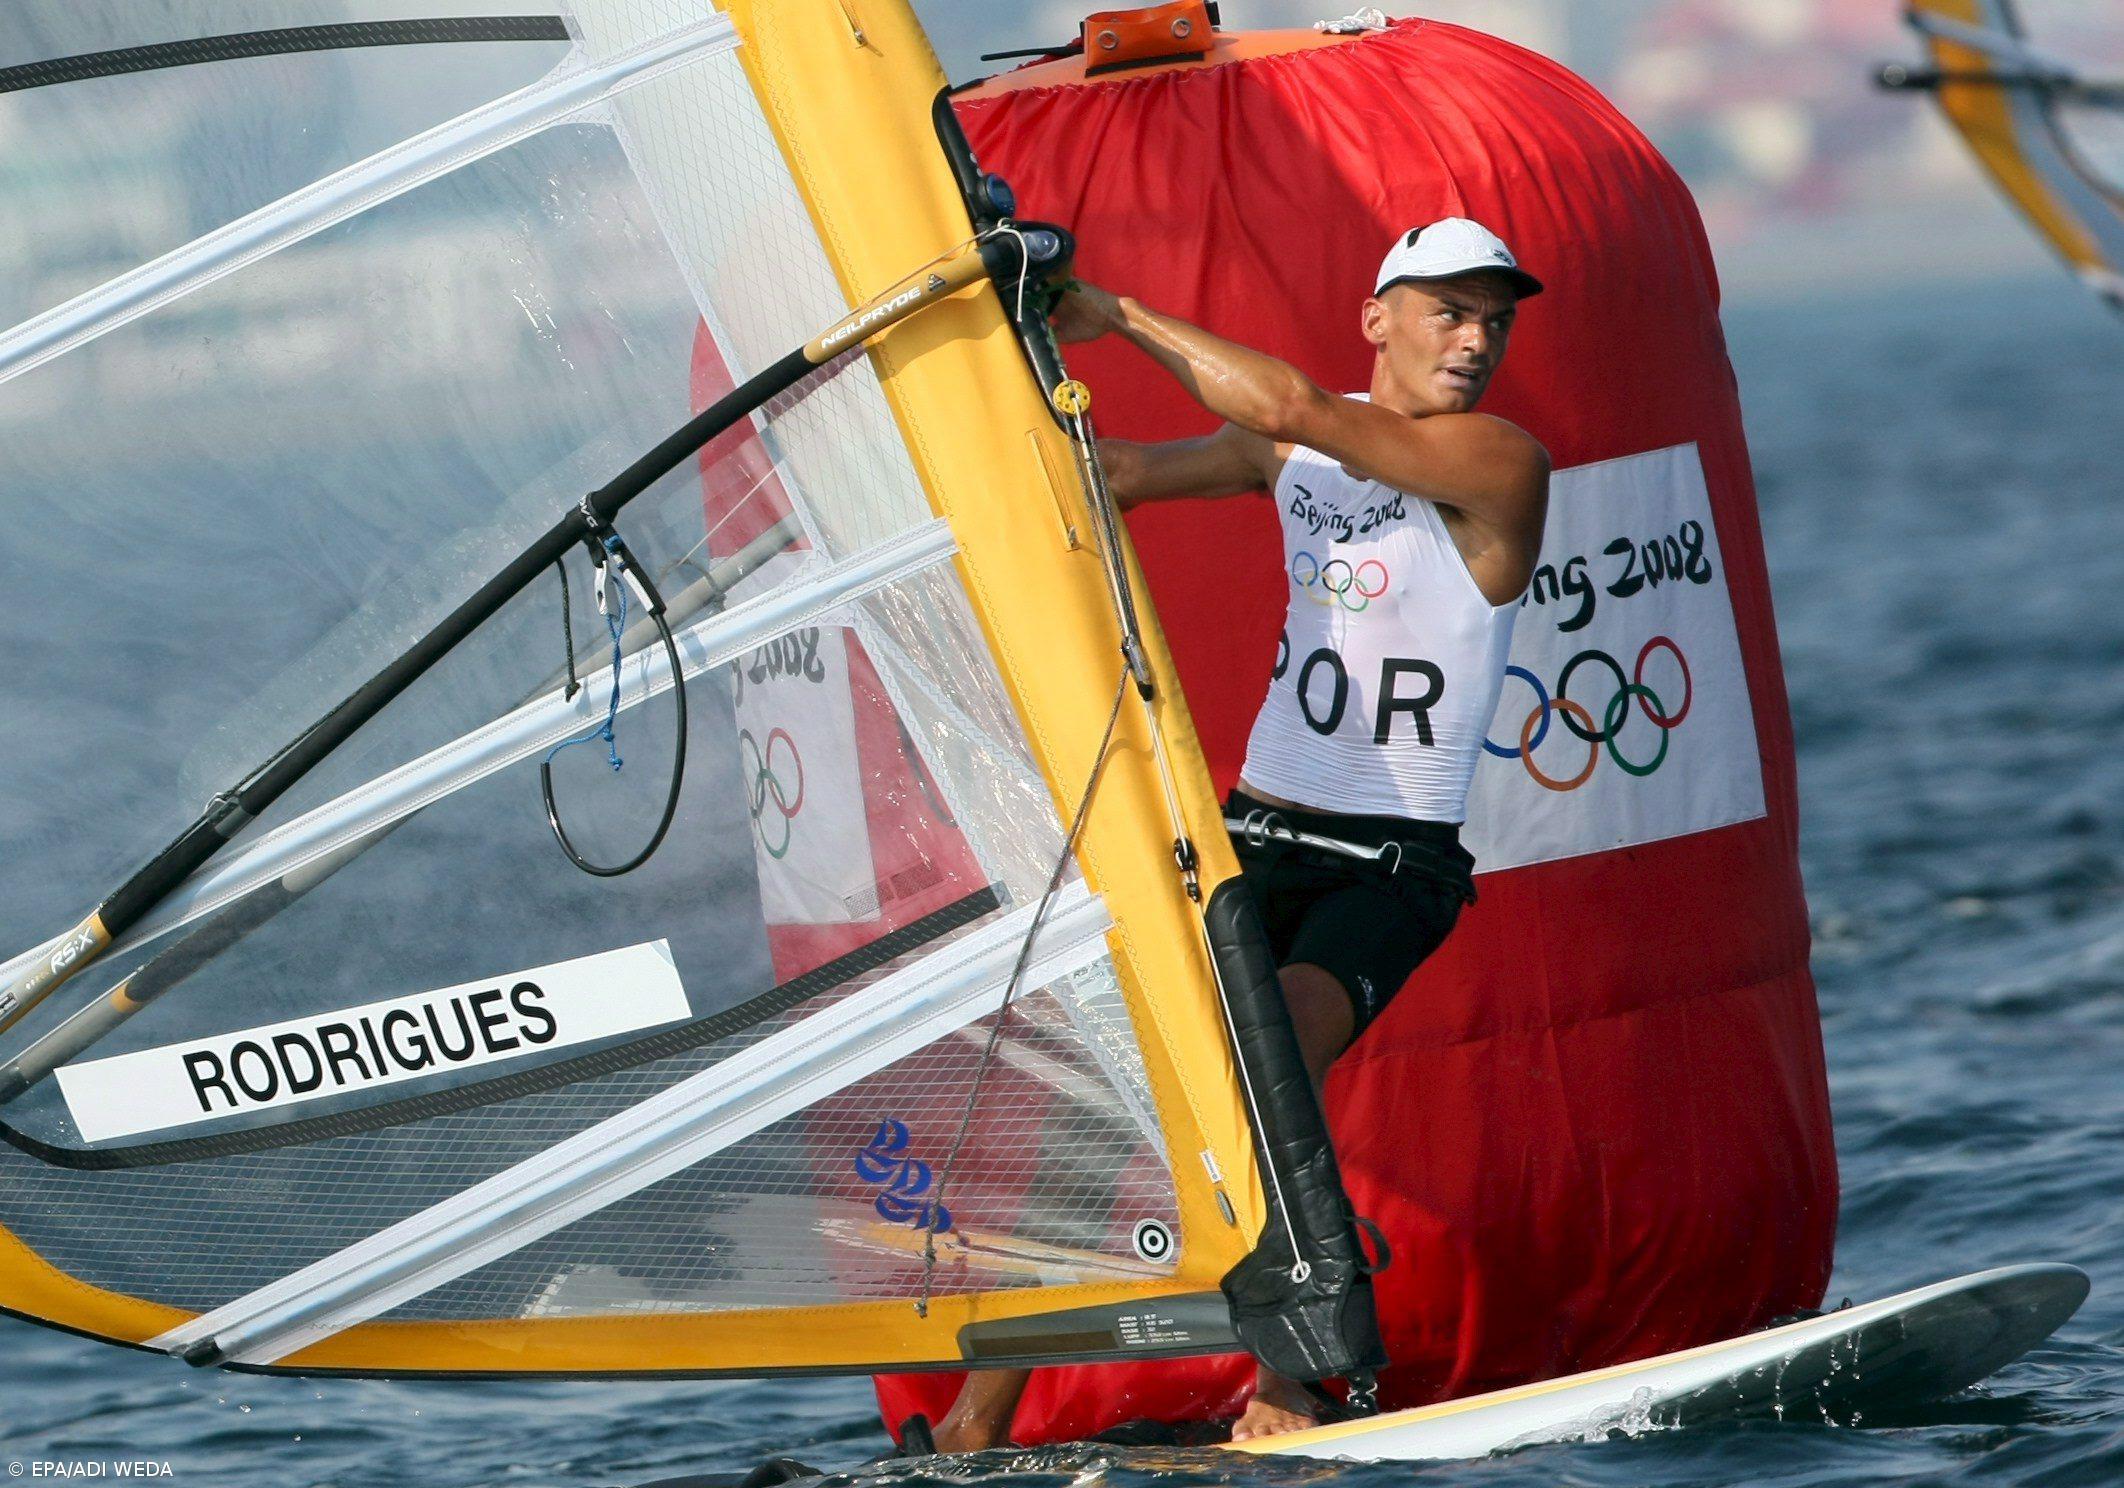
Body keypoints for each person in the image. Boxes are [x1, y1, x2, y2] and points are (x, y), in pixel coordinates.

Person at [928, 218, 1551, 1450]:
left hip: (1390, 867)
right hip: (1252, 840)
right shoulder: (1289, 455)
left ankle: (1290, 1384)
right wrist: (1002, 359)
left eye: (1496, 320)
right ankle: (971, 1425)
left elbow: (1292, 405)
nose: (1475, 341)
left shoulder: (1498, 462)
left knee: (1276, 1067)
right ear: (1380, 318)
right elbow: (1119, 475)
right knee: (1107, 1094)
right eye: (1449, 311)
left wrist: (1115, 312)